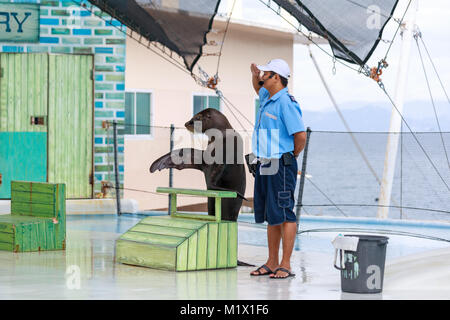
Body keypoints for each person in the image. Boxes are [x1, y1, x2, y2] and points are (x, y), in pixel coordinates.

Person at [248, 59, 306, 279]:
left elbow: (300, 135)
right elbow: (256, 87)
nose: (263, 76)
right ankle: (271, 262)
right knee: (272, 214)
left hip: (281, 163)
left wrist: (292, 156)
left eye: (267, 73)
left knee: (284, 213)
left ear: (277, 78)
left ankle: (285, 264)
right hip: (265, 162)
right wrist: (255, 73)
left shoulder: (286, 103)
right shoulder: (267, 97)